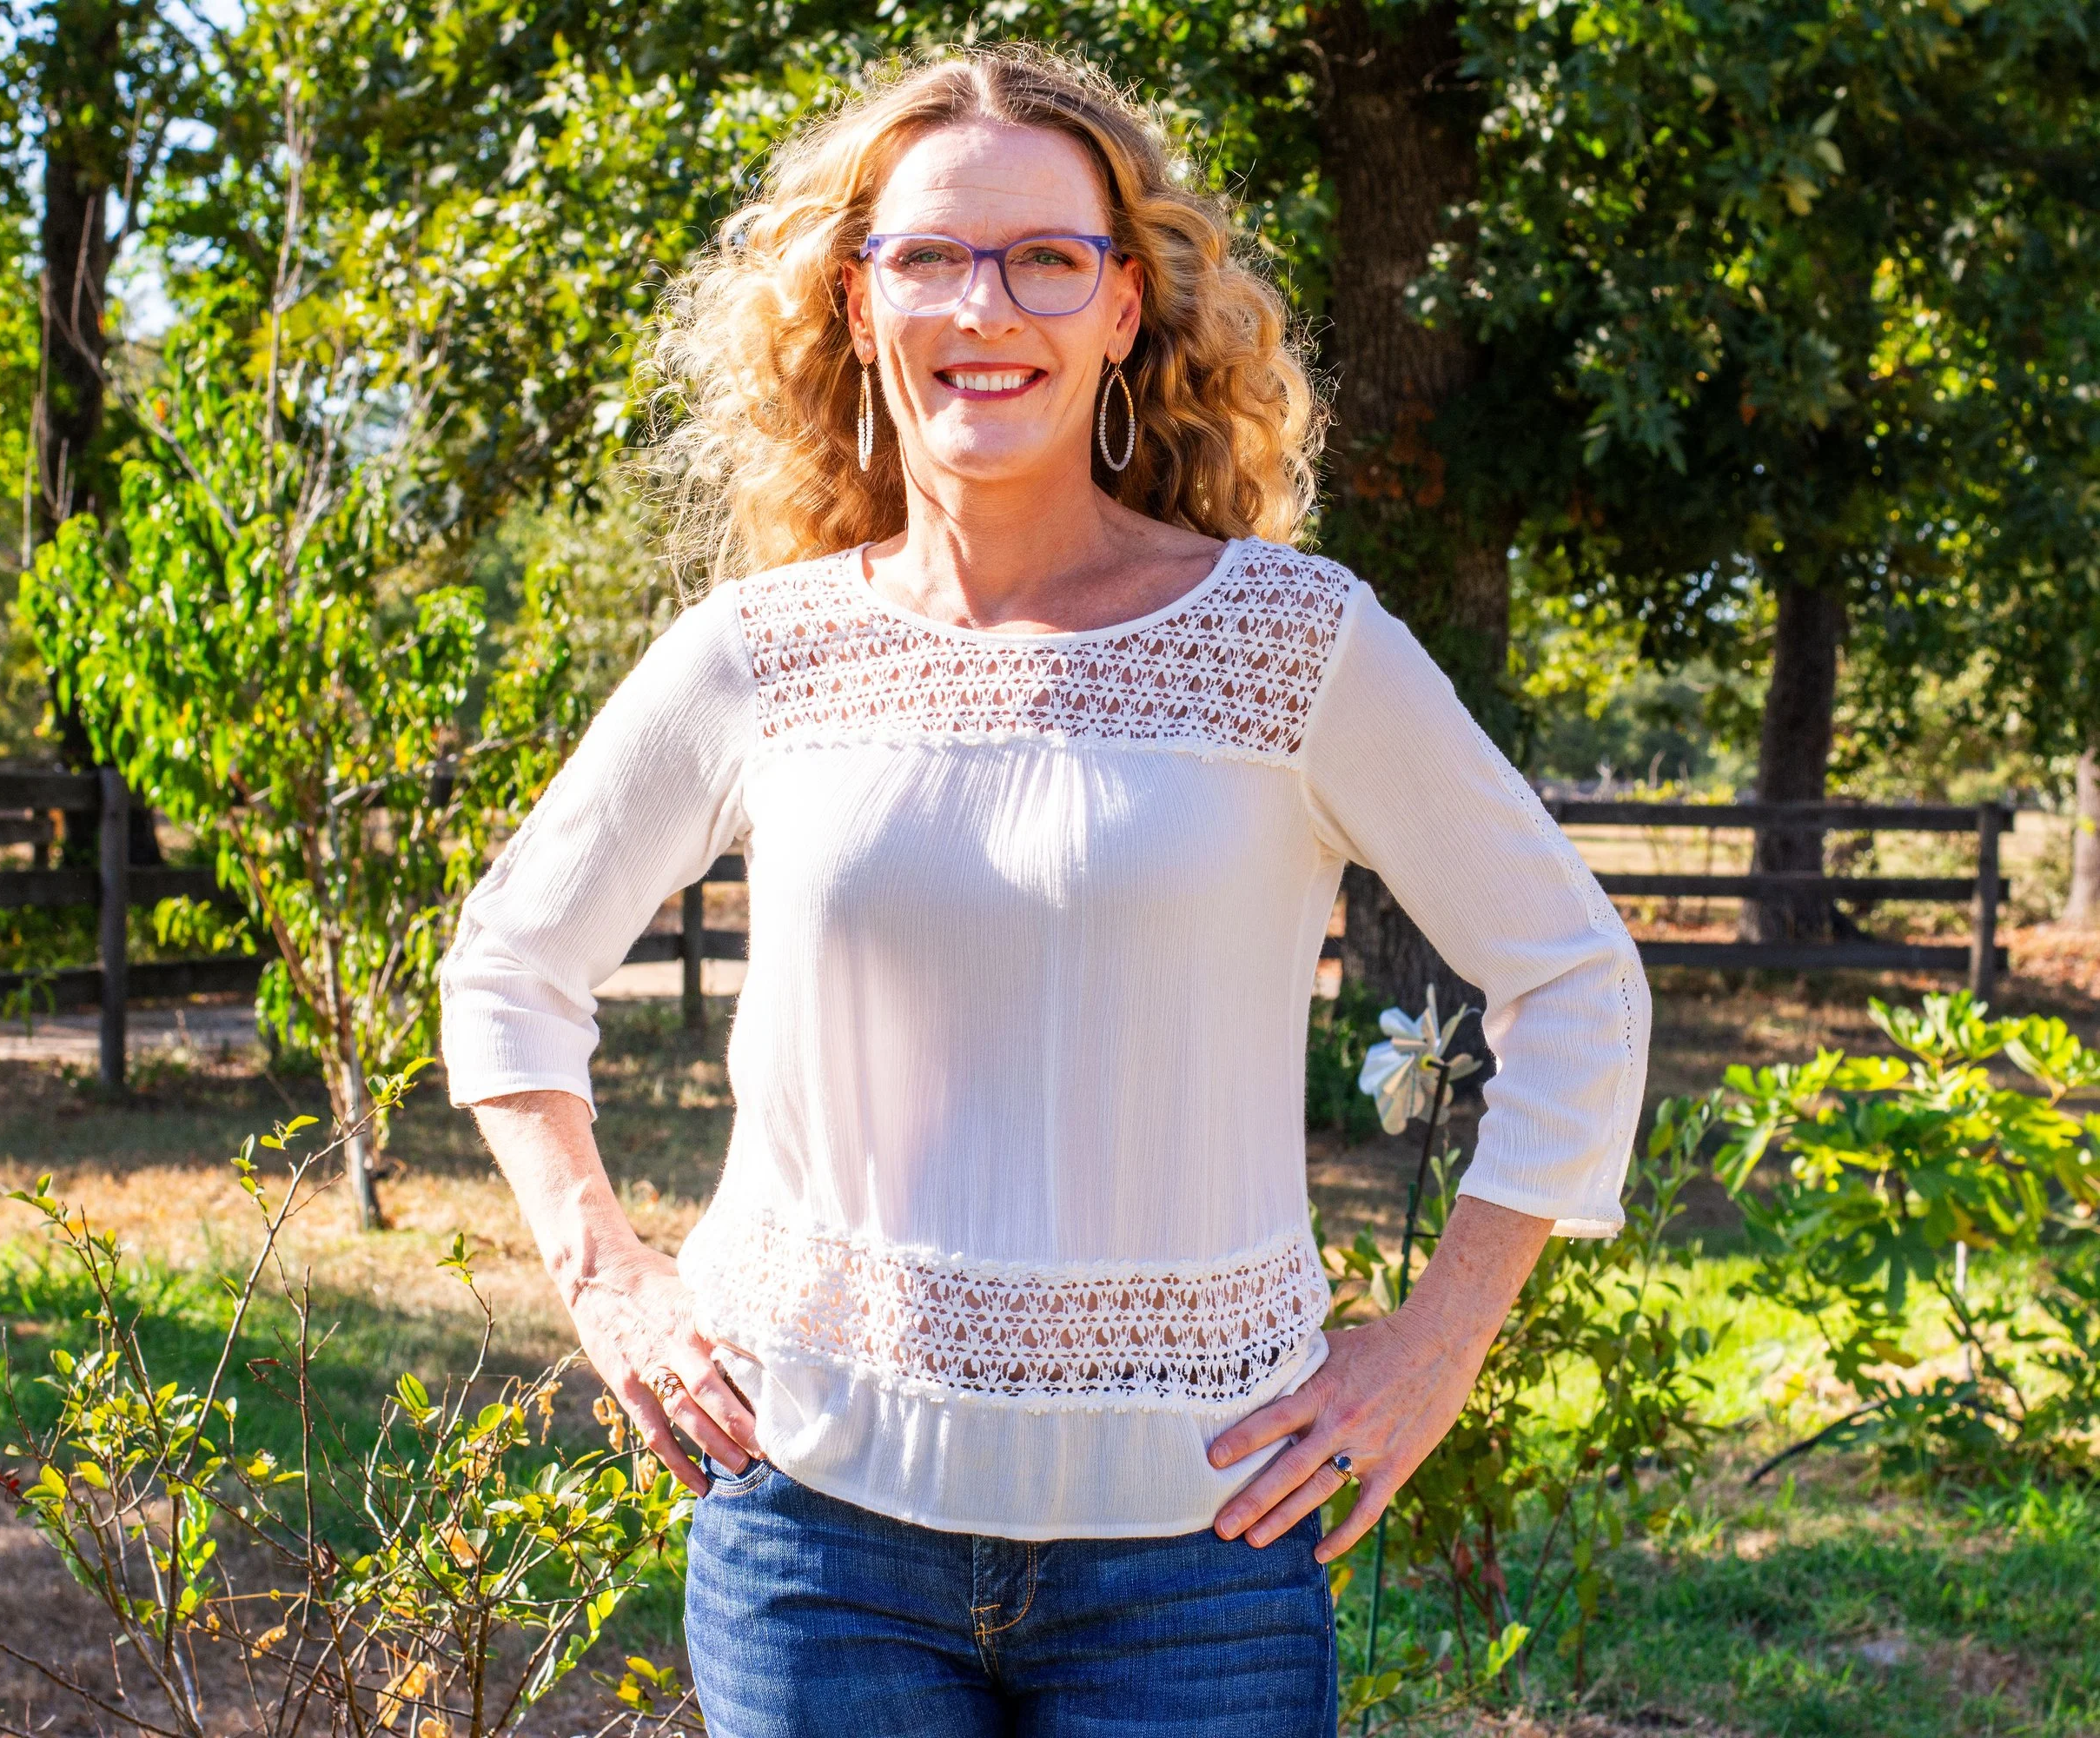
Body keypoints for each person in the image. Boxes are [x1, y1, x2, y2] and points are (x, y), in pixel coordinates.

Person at [439, 45, 1648, 1737]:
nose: (979, 303)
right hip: (809, 1535)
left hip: (1197, 1557)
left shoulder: (1293, 647)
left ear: (1122, 307)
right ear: (856, 306)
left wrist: (1435, 1344)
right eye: (924, 256)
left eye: (1041, 259)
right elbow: (508, 964)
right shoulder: (758, 655)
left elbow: (1577, 985)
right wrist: (606, 1276)